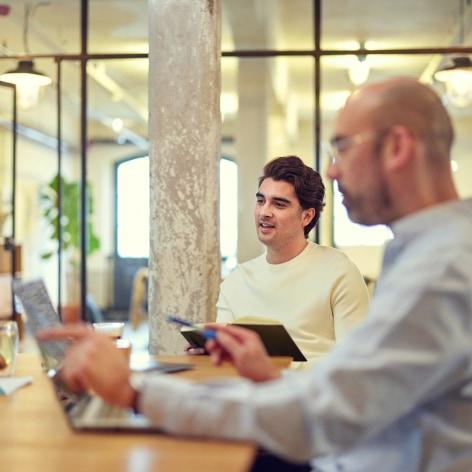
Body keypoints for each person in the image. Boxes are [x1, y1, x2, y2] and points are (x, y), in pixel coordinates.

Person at [39, 77, 472, 471]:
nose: (335, 169)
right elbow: (354, 391)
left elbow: (321, 415)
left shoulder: (442, 267)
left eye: (343, 147)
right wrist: (267, 373)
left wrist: (135, 393)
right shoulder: (430, 251)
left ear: (397, 147)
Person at [215, 156, 369, 363]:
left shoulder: (340, 272)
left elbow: (355, 362)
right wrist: (209, 353)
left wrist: (278, 372)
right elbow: (226, 357)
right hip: (247, 391)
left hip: (313, 392)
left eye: (279, 204)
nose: (264, 212)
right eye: (261, 201)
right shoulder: (237, 280)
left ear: (306, 216)